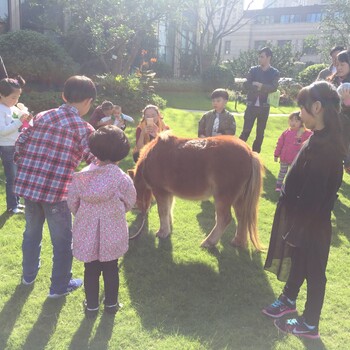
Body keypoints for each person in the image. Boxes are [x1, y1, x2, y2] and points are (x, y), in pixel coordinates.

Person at [262, 81, 345, 339]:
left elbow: (317, 193)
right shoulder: (317, 138)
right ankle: (289, 298)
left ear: (317, 107)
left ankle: (310, 323)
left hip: (313, 221)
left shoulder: (327, 148)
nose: (300, 114)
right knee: (299, 260)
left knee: (314, 271)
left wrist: (300, 225)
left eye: (302, 109)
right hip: (302, 216)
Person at [14, 75, 97, 298]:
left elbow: (21, 142)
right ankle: (60, 286)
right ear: (89, 102)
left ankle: (28, 275)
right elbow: (93, 160)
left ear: (63, 96)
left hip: (30, 189)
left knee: (31, 234)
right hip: (57, 195)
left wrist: (26, 168)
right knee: (62, 241)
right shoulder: (84, 128)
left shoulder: (41, 116)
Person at [67, 125, 136, 317]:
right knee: (111, 268)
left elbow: (72, 202)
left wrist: (83, 214)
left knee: (90, 269)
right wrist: (118, 210)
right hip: (112, 231)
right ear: (121, 153)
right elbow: (130, 200)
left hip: (87, 231)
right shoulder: (122, 179)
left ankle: (91, 307)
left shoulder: (81, 177)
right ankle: (111, 305)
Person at [239, 47, 280, 153]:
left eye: (262, 56)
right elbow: (246, 84)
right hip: (251, 105)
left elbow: (274, 87)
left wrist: (260, 85)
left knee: (260, 133)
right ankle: (238, 152)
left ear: (268, 57)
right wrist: (258, 86)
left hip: (264, 107)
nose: (259, 59)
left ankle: (256, 155)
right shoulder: (253, 70)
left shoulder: (274, 72)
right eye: (259, 56)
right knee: (246, 131)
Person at [0, 76, 31, 214]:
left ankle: (17, 202)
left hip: (17, 145)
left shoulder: (12, 108)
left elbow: (25, 121)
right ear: (1, 94)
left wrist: (25, 114)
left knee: (17, 176)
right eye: (13, 97)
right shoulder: (1, 110)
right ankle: (12, 206)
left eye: (18, 96)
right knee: (12, 177)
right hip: (7, 147)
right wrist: (19, 121)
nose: (16, 100)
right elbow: (3, 132)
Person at [274, 111, 312, 191]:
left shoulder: (305, 133)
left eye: (296, 121)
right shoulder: (286, 133)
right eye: (291, 120)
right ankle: (278, 185)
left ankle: (290, 187)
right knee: (282, 172)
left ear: (301, 122)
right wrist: (276, 155)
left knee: (293, 174)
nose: (293, 123)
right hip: (284, 158)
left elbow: (313, 136)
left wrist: (302, 132)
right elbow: (279, 144)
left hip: (295, 159)